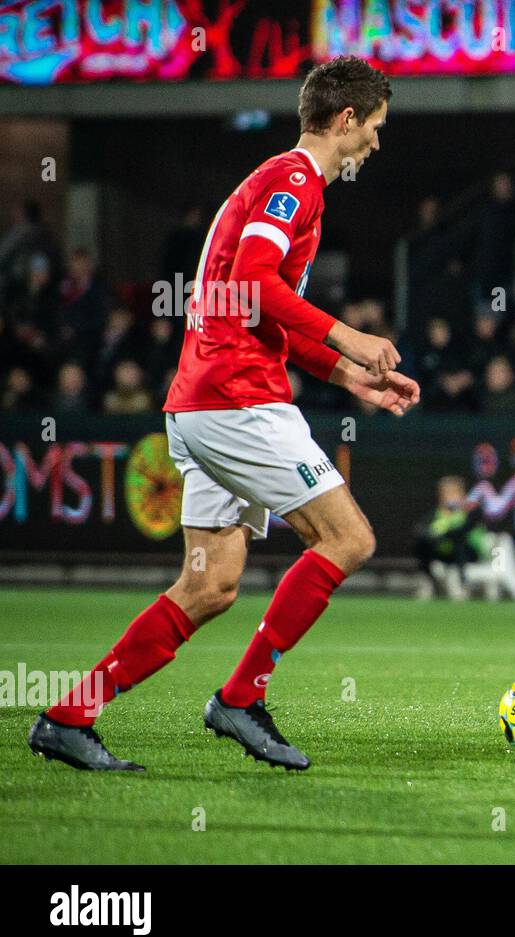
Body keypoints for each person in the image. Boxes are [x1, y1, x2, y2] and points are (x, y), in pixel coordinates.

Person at [29, 56, 419, 773]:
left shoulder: (281, 184)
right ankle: (240, 698)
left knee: (209, 583)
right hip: (239, 400)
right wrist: (350, 335)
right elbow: (251, 283)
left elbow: (260, 307)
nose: (377, 143)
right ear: (345, 121)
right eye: (375, 128)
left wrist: (348, 376)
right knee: (349, 539)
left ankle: (69, 714)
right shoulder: (293, 181)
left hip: (203, 400)